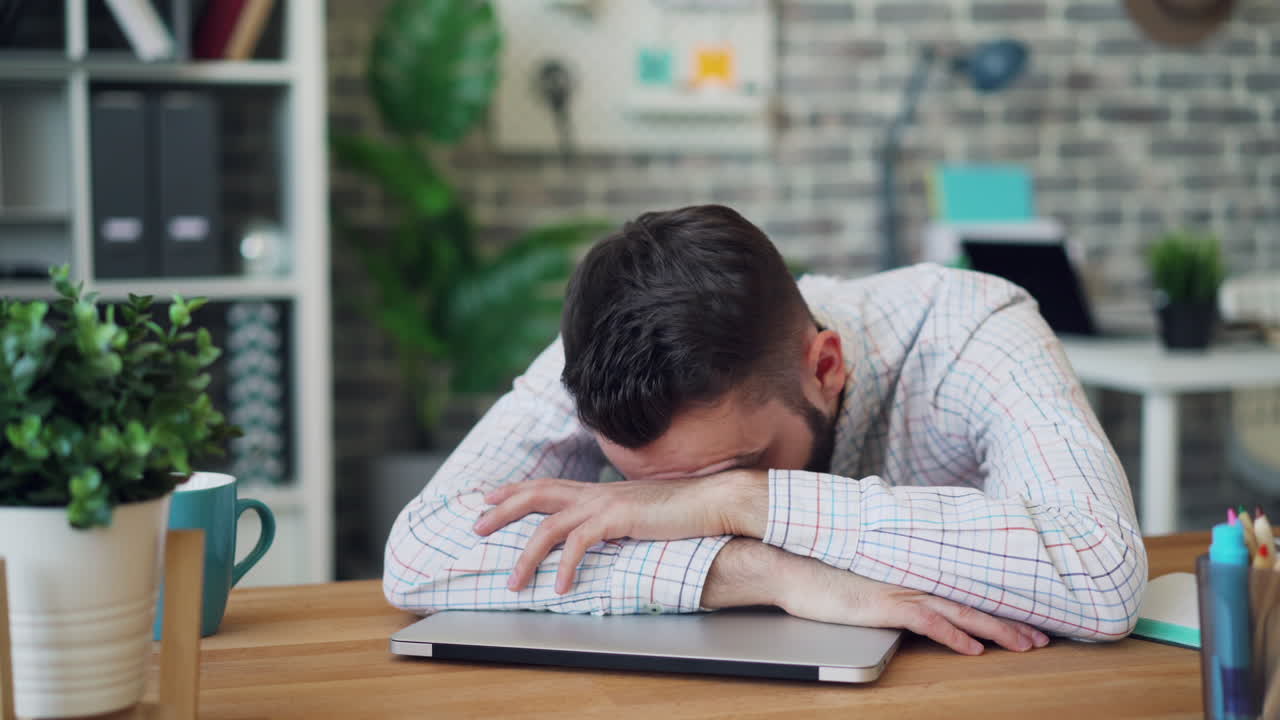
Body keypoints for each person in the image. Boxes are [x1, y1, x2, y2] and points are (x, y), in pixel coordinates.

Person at [383, 204, 1146, 655]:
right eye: (653, 492)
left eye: (725, 468)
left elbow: (1100, 571)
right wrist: (764, 573)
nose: (670, 513)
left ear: (825, 366)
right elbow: (420, 555)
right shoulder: (604, 357)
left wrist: (744, 502)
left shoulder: (973, 327)